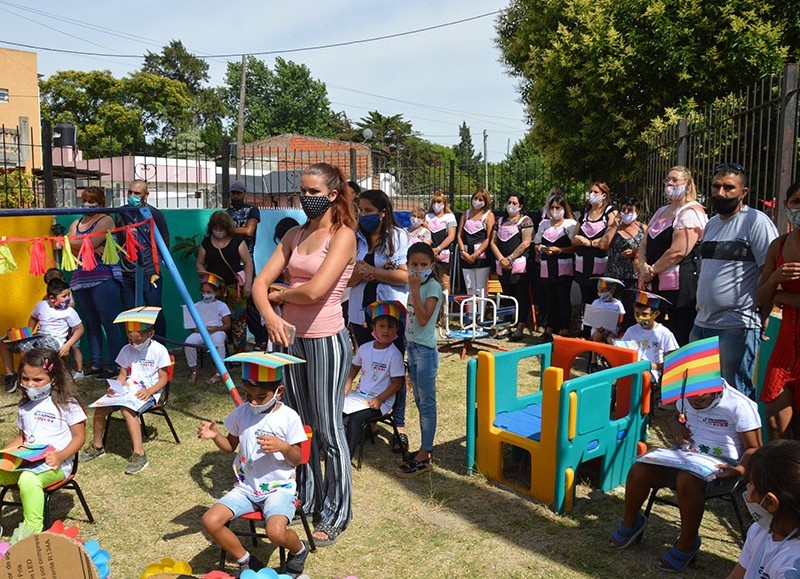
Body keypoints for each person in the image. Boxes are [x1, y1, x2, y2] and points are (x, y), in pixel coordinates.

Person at [252, 162, 356, 546]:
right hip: (290, 342)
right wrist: (269, 315)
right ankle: (308, 497)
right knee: (300, 428)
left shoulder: (343, 236)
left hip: (326, 340)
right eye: (303, 191)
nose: (305, 198)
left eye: (314, 192)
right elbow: (258, 283)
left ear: (332, 195)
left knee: (329, 430)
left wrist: (279, 295)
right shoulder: (294, 235)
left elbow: (315, 291)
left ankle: (337, 511)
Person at [609, 379, 761, 571]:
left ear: (716, 388)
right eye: (691, 396)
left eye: (701, 397)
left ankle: (687, 542)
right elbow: (677, 418)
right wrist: (677, 428)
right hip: (686, 457)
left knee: (687, 480)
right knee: (640, 468)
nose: (695, 401)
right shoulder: (684, 398)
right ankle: (631, 522)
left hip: (724, 469)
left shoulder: (740, 406)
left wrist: (739, 470)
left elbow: (755, 448)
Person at [199, 352, 309, 577]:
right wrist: (215, 435)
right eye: (248, 395)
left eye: (260, 396)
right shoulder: (242, 413)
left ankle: (299, 550)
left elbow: (298, 458)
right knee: (210, 520)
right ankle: (246, 560)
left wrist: (284, 447)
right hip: (247, 488)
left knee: (276, 533)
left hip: (279, 489)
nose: (253, 402)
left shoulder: (289, 417)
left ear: (279, 391)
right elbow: (230, 447)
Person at [690, 163, 779, 400]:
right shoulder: (712, 224)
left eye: (729, 188)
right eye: (716, 186)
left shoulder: (756, 222)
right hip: (702, 322)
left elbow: (769, 272)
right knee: (702, 393)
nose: (721, 193)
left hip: (736, 325)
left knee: (734, 396)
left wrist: (764, 312)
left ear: (743, 192)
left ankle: (739, 440)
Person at [0, 349, 86, 536]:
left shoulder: (67, 404)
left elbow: (79, 437)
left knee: (28, 479)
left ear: (53, 378)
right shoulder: (25, 405)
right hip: (25, 460)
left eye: (37, 380)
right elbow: (23, 438)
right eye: (25, 379)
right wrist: (4, 453)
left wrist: (61, 455)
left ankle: (32, 533)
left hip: (56, 465)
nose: (30, 385)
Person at [80, 307, 170, 475]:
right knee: (100, 408)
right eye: (130, 339)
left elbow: (163, 379)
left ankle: (139, 454)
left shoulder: (159, 350)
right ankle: (97, 446)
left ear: (150, 334)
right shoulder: (126, 350)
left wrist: (150, 391)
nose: (134, 343)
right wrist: (116, 386)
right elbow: (122, 374)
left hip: (149, 393)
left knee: (127, 410)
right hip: (128, 390)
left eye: (138, 340)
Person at [638, 167, 707, 346]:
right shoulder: (661, 211)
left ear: (688, 184)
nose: (669, 183)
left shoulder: (691, 212)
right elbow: (644, 242)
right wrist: (642, 265)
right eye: (667, 180)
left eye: (675, 180)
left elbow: (679, 251)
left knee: (678, 334)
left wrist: (652, 270)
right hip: (655, 284)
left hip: (679, 291)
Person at [756, 180, 800, 440]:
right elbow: (761, 296)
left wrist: (782, 295)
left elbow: (774, 298)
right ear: (786, 205)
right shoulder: (779, 246)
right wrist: (775, 279)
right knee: (775, 423)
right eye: (796, 202)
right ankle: (777, 478)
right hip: (785, 346)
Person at [67, 187, 124, 380]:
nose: (88, 205)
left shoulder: (106, 219)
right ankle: (96, 362)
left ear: (101, 203)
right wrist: (82, 244)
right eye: (85, 201)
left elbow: (85, 243)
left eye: (93, 202)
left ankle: (114, 363)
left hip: (104, 278)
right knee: (90, 323)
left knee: (109, 322)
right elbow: (71, 244)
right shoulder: (77, 221)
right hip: (81, 279)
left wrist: (79, 244)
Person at [397, 242, 442, 478]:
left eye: (423, 264)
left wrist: (414, 290)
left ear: (431, 265)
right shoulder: (413, 284)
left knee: (427, 403)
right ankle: (424, 448)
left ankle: (426, 451)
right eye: (413, 264)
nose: (418, 268)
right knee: (419, 400)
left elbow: (424, 319)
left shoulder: (432, 287)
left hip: (425, 351)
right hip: (413, 348)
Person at [726, 440, 800, 579]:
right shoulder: (760, 531)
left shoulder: (793, 567)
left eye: (751, 483)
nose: (747, 488)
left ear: (771, 502)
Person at [343, 301, 405, 459]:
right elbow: (354, 367)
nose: (386, 330)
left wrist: (380, 399)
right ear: (373, 327)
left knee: (355, 419)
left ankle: (346, 456)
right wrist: (348, 382)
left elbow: (397, 383)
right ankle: (333, 447)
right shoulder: (364, 348)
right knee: (336, 410)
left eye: (391, 327)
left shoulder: (394, 354)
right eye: (382, 326)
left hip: (379, 401)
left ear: (397, 329)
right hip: (360, 396)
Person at [0, 279, 85, 394]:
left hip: (55, 340)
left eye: (69, 294)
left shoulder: (69, 312)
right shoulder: (41, 305)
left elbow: (79, 329)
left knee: (28, 346)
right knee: (4, 341)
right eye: (64, 296)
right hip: (39, 337)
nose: (68, 298)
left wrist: (67, 345)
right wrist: (28, 332)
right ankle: (11, 375)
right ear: (52, 298)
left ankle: (31, 376)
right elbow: (34, 317)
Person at [348, 189, 409, 346]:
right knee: (366, 360)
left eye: (369, 210)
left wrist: (374, 272)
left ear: (382, 213)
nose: (363, 215)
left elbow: (405, 276)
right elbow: (345, 281)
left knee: (392, 363)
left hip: (389, 314)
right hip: (361, 314)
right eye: (361, 210)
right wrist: (360, 274)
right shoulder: (354, 238)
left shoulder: (397, 236)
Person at [117, 179, 169, 340]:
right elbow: (119, 238)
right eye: (130, 192)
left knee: (154, 312)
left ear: (146, 195)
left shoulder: (154, 214)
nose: (132, 196)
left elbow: (164, 241)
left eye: (137, 193)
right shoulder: (121, 213)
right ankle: (133, 349)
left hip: (149, 272)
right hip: (127, 271)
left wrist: (157, 263)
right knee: (129, 313)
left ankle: (160, 349)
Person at [196, 211, 254, 355]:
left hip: (235, 288)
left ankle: (239, 353)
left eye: (221, 228)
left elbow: (248, 262)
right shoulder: (206, 242)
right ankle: (223, 352)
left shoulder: (237, 240)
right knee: (218, 319)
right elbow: (200, 264)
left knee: (239, 320)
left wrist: (248, 284)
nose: (219, 231)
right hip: (215, 289)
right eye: (216, 228)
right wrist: (207, 280)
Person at [227, 179, 268, 350]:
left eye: (238, 193)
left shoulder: (252, 210)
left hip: (246, 263)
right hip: (229, 264)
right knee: (228, 304)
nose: (235, 196)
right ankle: (232, 342)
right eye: (233, 193)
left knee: (251, 303)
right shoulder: (227, 212)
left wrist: (226, 230)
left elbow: (249, 231)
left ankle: (261, 338)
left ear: (244, 194)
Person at [490, 194, 534, 340]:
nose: (511, 205)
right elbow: (492, 242)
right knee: (506, 294)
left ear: (520, 206)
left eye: (514, 203)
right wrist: (501, 259)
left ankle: (520, 325)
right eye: (509, 202)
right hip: (502, 265)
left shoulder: (525, 221)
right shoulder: (500, 221)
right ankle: (506, 324)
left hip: (519, 265)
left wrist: (510, 258)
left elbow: (526, 242)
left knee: (521, 295)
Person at [533, 195, 577, 341]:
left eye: (558, 207)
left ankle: (565, 328)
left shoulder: (570, 224)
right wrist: (542, 250)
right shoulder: (544, 224)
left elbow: (574, 247)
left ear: (564, 209)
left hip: (564, 267)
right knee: (549, 298)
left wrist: (560, 250)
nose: (555, 211)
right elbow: (536, 245)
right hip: (547, 267)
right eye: (552, 208)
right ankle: (549, 328)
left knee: (563, 298)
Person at [571, 182, 618, 315]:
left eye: (595, 192)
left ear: (604, 195)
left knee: (601, 300)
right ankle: (585, 330)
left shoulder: (610, 213)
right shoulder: (585, 213)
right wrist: (577, 240)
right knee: (586, 300)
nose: (591, 195)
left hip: (600, 267)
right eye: (590, 191)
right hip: (583, 266)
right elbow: (574, 237)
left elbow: (608, 239)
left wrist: (590, 243)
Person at [619, 291, 679, 387]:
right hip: (632, 371)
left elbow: (672, 358)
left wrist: (656, 366)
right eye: (637, 314)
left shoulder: (664, 333)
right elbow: (622, 351)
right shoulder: (631, 330)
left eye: (645, 314)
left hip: (652, 376)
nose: (640, 318)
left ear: (656, 313)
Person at [605, 197, 646, 331]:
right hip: (614, 276)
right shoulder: (614, 227)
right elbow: (603, 245)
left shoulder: (643, 228)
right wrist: (614, 226)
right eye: (623, 210)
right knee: (612, 309)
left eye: (630, 210)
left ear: (637, 212)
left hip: (633, 277)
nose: (626, 212)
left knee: (630, 309)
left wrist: (636, 253)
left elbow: (649, 249)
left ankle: (627, 334)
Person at [185, 272, 232, 385]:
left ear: (216, 292)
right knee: (189, 342)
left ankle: (218, 373)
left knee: (218, 341)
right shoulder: (197, 305)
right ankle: (194, 371)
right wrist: (194, 329)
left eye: (209, 292)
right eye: (203, 292)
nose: (205, 295)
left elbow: (227, 325)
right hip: (201, 332)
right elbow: (191, 325)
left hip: (217, 331)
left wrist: (217, 328)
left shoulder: (222, 306)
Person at [457, 188, 495, 319]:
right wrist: (463, 251)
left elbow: (489, 238)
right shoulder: (465, 214)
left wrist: (477, 253)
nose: (477, 201)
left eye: (480, 199)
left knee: (481, 287)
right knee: (470, 286)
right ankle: (471, 315)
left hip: (481, 256)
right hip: (466, 254)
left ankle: (481, 316)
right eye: (475, 198)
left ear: (485, 202)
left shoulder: (488, 215)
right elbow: (459, 235)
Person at [42, 268, 85, 380]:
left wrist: (63, 306)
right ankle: (65, 369)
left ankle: (79, 370)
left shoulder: (67, 293)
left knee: (74, 346)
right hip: (57, 331)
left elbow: (72, 305)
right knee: (62, 351)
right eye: (50, 281)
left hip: (70, 326)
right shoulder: (46, 299)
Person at [425, 191, 457, 294]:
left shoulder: (450, 217)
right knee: (431, 280)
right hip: (429, 252)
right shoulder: (427, 216)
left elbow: (451, 236)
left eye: (439, 202)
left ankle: (445, 307)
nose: (436, 204)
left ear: (444, 203)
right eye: (434, 202)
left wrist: (438, 249)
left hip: (444, 252)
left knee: (444, 281)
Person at [586, 277, 625, 345]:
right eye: (598, 291)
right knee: (597, 336)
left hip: (612, 331)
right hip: (597, 329)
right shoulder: (596, 302)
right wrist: (597, 327)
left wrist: (614, 325)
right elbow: (591, 318)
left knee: (611, 340)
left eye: (602, 291)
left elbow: (621, 320)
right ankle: (594, 355)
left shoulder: (617, 304)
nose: (599, 293)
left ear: (611, 292)